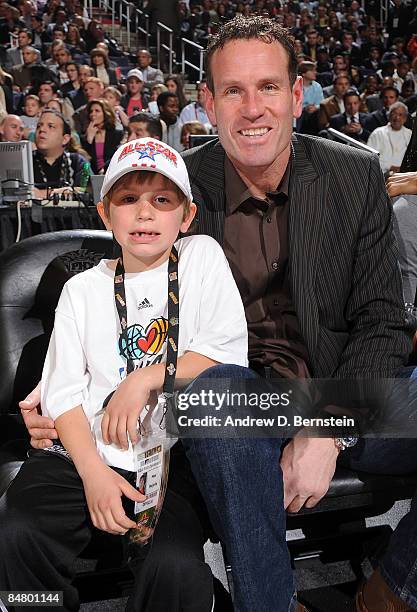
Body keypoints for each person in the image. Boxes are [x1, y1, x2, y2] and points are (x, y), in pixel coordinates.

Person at [18, 15, 417, 612]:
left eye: (268, 87)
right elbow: (95, 279)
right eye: (233, 90)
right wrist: (48, 391)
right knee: (218, 388)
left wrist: (326, 429)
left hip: (341, 393)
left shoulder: (351, 174)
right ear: (208, 99)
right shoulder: (182, 182)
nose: (252, 108)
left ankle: (388, 594)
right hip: (232, 400)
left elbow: (384, 322)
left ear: (294, 93)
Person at [1, 136, 248, 612]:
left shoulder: (201, 258)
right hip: (78, 455)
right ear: (104, 213)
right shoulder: (82, 289)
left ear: (187, 216)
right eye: (128, 199)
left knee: (173, 569)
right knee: (16, 533)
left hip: (169, 459)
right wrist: (93, 472)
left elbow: (224, 357)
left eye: (162, 200)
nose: (145, 213)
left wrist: (144, 378)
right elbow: (64, 396)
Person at [32, 108, 90, 198]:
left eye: (50, 126)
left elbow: (86, 189)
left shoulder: (79, 161)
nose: (42, 129)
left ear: (65, 139)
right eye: (39, 126)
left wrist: (43, 194)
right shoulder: (25, 162)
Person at [367, 102, 411, 176]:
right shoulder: (378, 133)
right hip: (381, 176)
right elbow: (370, 158)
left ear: (405, 118)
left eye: (400, 115)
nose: (397, 118)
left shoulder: (410, 134)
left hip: (404, 177)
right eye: (394, 114)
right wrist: (389, 167)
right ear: (389, 116)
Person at [81, 98, 123, 174]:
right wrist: (89, 139)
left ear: (106, 113)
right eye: (91, 111)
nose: (92, 114)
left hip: (111, 173)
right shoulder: (84, 138)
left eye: (97, 111)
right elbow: (87, 161)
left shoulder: (117, 135)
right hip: (92, 175)